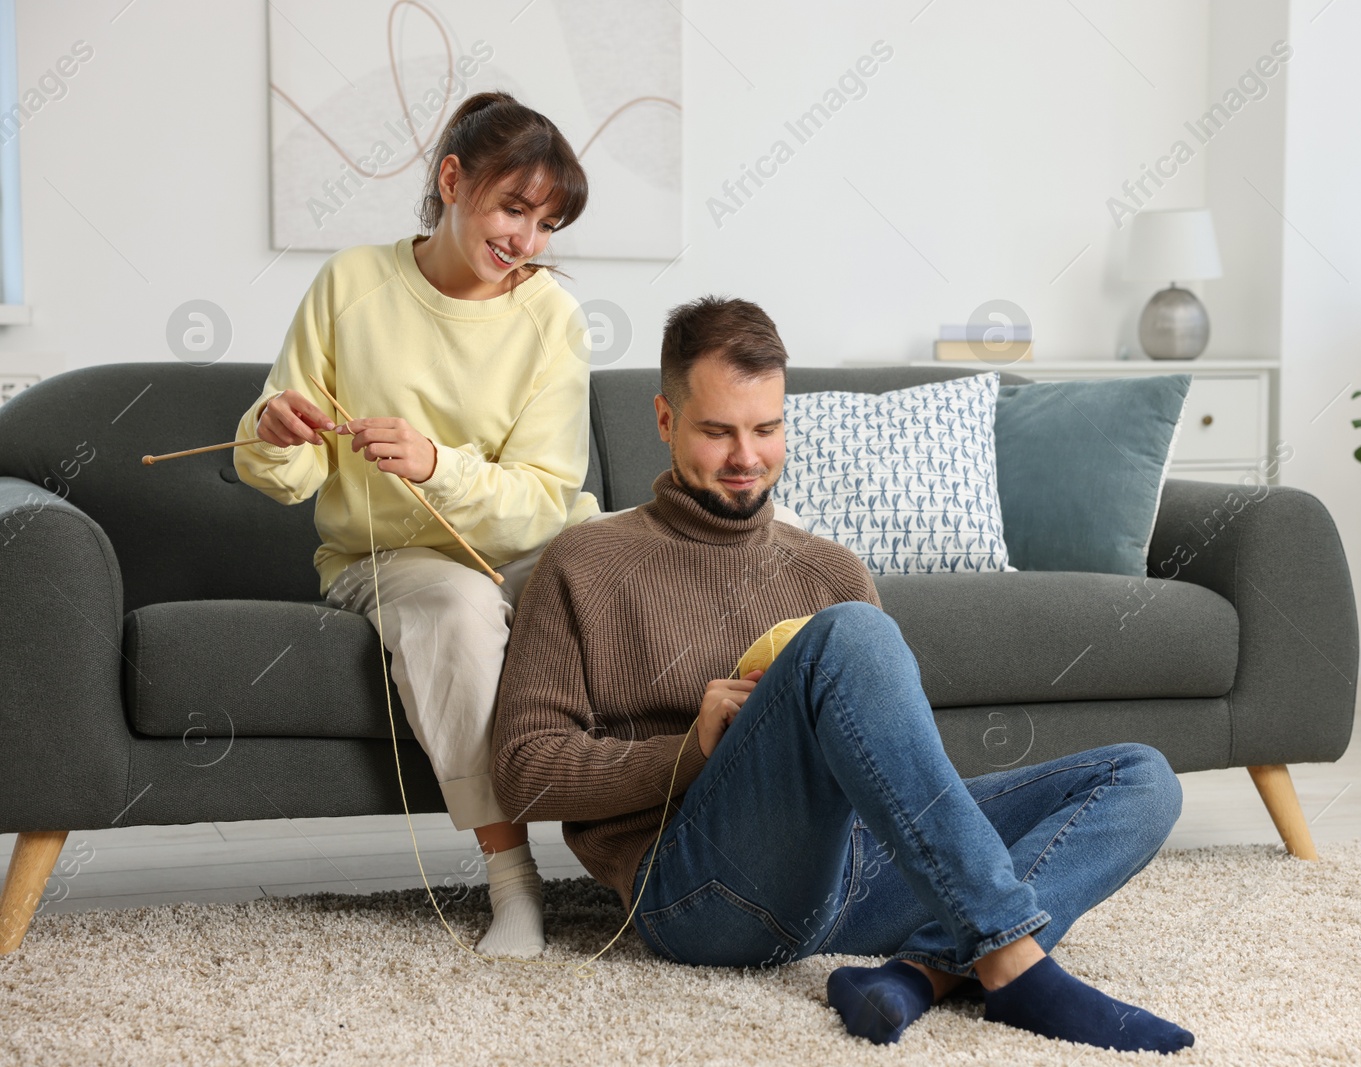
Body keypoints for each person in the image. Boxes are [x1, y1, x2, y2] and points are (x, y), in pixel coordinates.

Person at [490, 296, 1196, 1052]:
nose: (746, 457)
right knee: (852, 634)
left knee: (1142, 776)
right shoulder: (584, 562)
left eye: (766, 428)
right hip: (699, 892)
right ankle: (1013, 964)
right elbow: (522, 773)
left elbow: (894, 770)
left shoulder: (829, 567)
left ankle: (915, 975)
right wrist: (691, 751)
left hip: (857, 874)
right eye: (717, 431)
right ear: (664, 421)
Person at [234, 91, 601, 958]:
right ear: (451, 180)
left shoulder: (551, 315)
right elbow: (284, 477)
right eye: (514, 207)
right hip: (390, 556)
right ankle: (515, 884)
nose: (526, 240)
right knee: (457, 601)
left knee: (649, 565)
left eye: (547, 222)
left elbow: (549, 499)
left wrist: (439, 464)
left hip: (529, 544)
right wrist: (271, 429)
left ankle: (667, 845)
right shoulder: (351, 285)